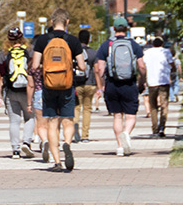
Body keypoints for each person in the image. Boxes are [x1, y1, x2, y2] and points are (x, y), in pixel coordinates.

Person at [30, 9, 88, 172]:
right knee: (68, 120)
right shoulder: (73, 41)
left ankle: (57, 162)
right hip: (67, 84)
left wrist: (46, 67)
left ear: (51, 22)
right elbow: (82, 66)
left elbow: (34, 66)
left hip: (48, 85)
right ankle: (67, 144)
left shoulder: (42, 40)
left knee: (52, 122)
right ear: (67, 22)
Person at [95, 21, 145, 158]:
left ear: (114, 28)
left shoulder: (106, 45)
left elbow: (100, 68)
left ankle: (120, 147)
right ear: (127, 28)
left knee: (117, 116)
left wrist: (101, 84)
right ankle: (127, 133)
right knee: (130, 115)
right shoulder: (134, 45)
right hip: (129, 84)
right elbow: (141, 66)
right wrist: (143, 80)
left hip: (112, 83)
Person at [0, 28, 36, 158]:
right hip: (27, 90)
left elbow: (1, 73)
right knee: (30, 117)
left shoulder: (4, 54)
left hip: (11, 90)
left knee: (14, 121)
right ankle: (26, 141)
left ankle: (15, 150)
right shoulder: (29, 52)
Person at [142, 38, 173, 137]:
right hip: (163, 81)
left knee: (153, 106)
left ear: (152, 44)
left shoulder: (147, 52)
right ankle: (162, 127)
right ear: (162, 44)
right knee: (164, 105)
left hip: (151, 82)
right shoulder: (166, 52)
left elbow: (143, 65)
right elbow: (172, 63)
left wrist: (142, 79)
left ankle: (154, 128)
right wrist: (172, 71)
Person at [72, 28, 97, 144]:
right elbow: (97, 69)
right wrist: (100, 85)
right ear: (89, 39)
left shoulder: (74, 51)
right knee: (87, 110)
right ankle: (85, 135)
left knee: (76, 108)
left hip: (77, 84)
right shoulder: (93, 52)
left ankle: (74, 131)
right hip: (90, 83)